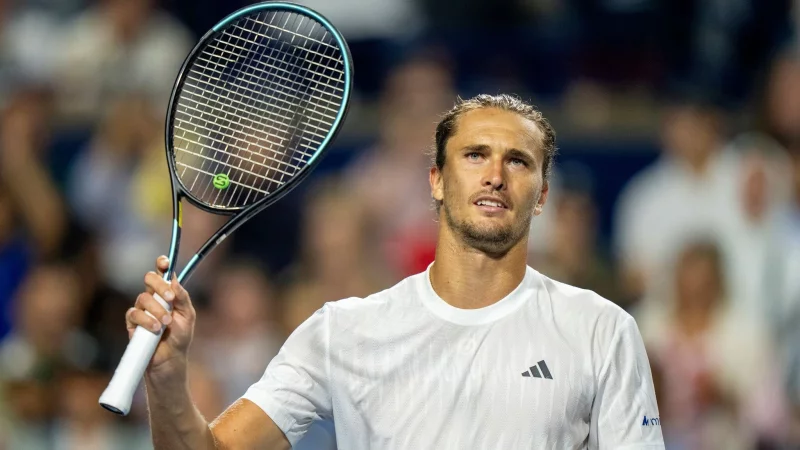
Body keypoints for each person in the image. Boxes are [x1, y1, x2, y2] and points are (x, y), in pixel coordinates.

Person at [125, 94, 665, 449]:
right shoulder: (343, 331)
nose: (496, 175)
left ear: (543, 195)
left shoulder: (601, 330)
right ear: (435, 179)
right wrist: (169, 381)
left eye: (518, 161)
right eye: (475, 155)